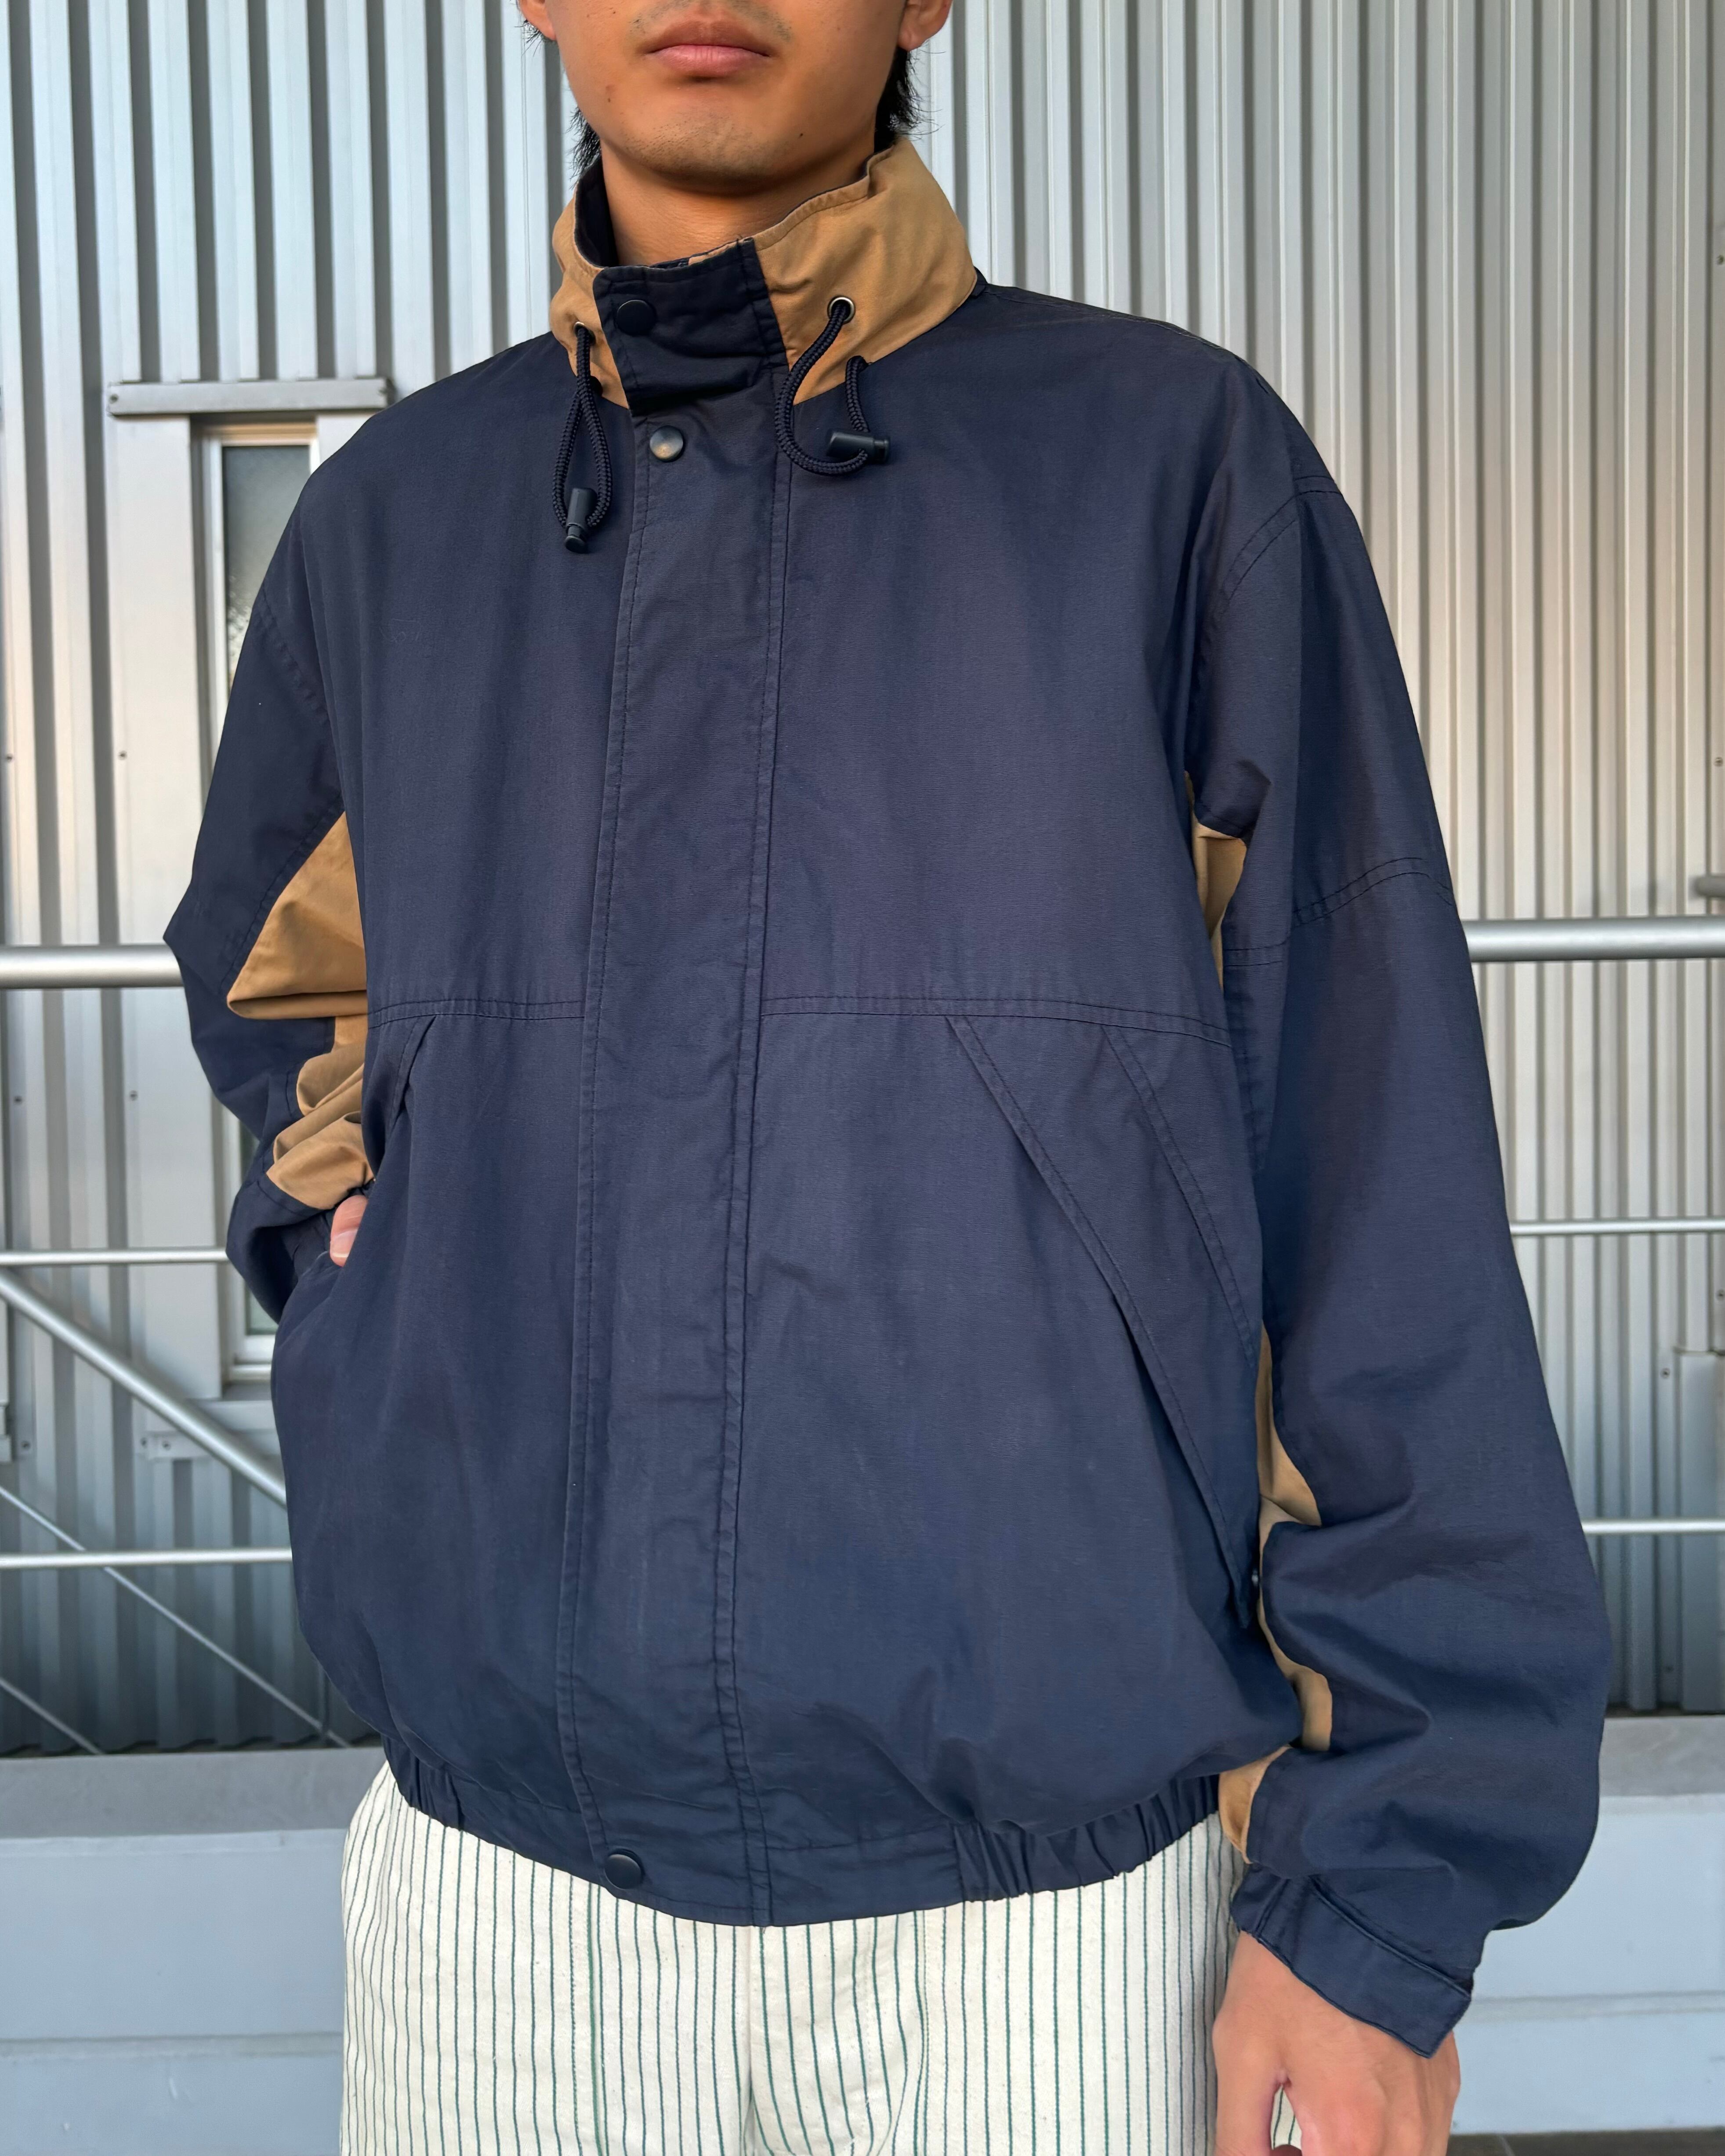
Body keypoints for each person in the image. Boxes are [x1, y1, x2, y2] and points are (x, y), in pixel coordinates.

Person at [167, 2, 1611, 2149]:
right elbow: (282, 968)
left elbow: (1367, 1153)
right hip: (495, 1900)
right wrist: (358, 1240)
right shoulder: (397, 518)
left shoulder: (1167, 468)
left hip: (1053, 1918)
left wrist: (1374, 1898)